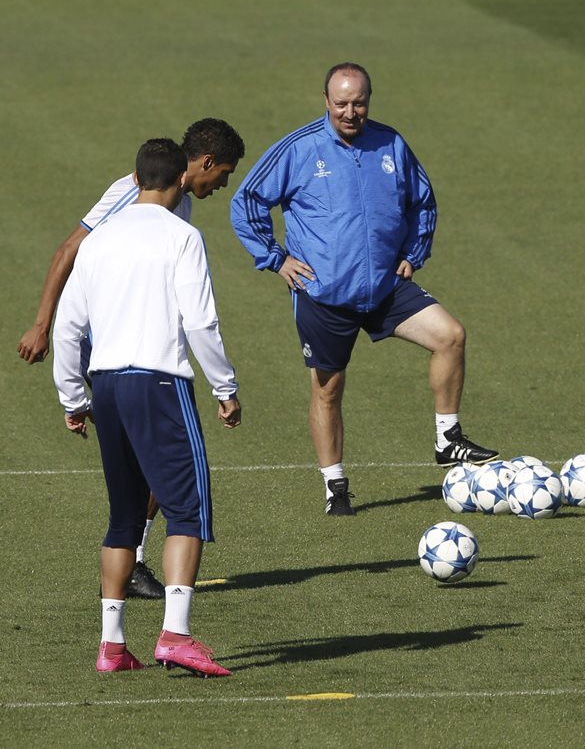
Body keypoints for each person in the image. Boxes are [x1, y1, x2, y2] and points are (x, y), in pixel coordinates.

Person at [230, 62, 497, 516]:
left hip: (387, 288)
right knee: (328, 390)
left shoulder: (391, 142)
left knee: (450, 336)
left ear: (369, 100)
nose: (350, 112)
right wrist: (276, 259)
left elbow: (423, 202)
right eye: (341, 104)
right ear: (325, 102)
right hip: (325, 296)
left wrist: (414, 253)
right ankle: (336, 486)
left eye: (358, 103)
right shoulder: (298, 149)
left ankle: (447, 438)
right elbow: (247, 202)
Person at [18, 118, 244, 598]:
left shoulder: (179, 202)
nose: (221, 185)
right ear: (202, 163)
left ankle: (123, 592)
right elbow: (72, 250)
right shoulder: (139, 193)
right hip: (115, 346)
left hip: (122, 348)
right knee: (157, 463)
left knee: (155, 467)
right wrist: (42, 322)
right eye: (221, 174)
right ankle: (138, 570)